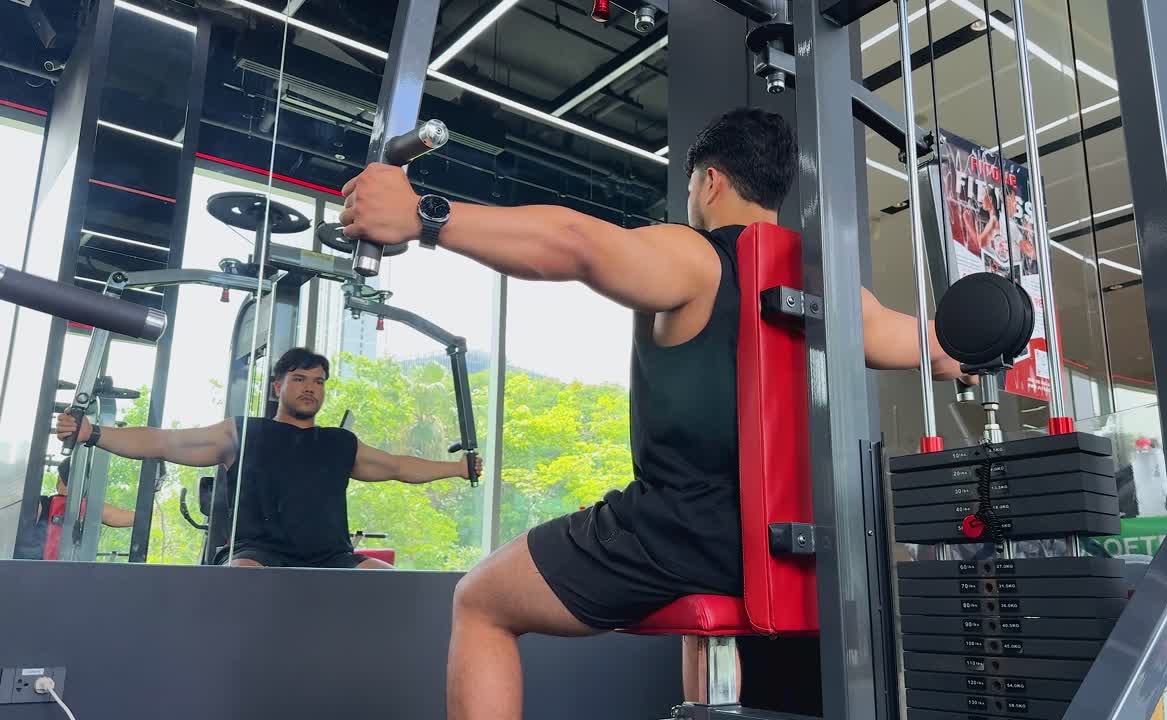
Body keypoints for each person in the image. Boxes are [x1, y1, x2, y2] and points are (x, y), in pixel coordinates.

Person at [339, 107, 967, 719]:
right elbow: (941, 349)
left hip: (677, 535)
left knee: (479, 600)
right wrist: (998, 333)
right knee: (702, 623)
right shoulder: (834, 290)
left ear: (709, 181)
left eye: (693, 182)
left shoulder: (695, 256)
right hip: (788, 550)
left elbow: (578, 243)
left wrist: (426, 216)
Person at [56, 348, 480, 570]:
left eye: (318, 382)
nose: (311, 388)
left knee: (386, 583)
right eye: (299, 379)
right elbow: (167, 443)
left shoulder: (339, 443)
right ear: (278, 386)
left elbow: (398, 467)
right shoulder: (242, 433)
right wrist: (93, 433)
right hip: (258, 554)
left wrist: (457, 469)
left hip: (331, 557)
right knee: (244, 581)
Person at [13, 458, 134, 560]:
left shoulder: (39, 504)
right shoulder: (91, 508)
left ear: (59, 479)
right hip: (67, 576)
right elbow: (129, 518)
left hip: (30, 572)